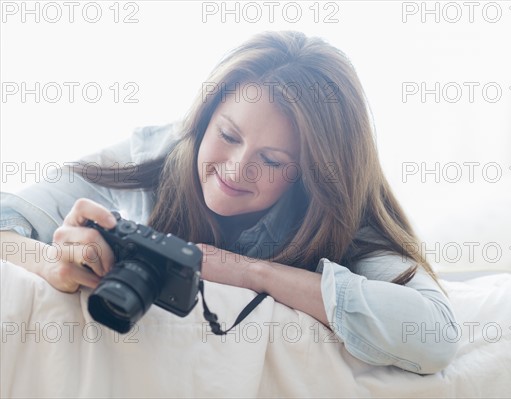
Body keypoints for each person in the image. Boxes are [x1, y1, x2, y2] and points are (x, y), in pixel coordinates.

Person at [0, 31, 458, 374]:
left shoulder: (342, 214)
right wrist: (50, 263)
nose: (237, 170)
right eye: (228, 135)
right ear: (204, 119)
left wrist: (247, 272)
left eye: (273, 160)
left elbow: (434, 334)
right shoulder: (147, 160)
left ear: (312, 175)